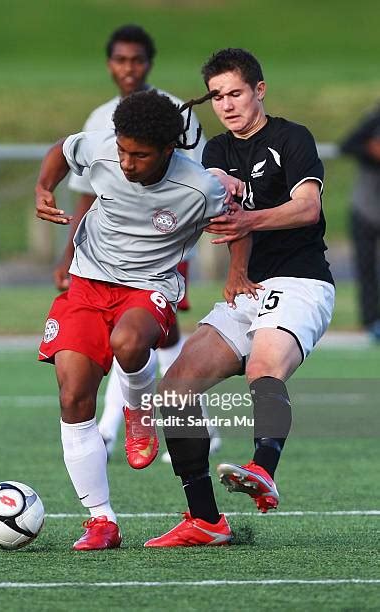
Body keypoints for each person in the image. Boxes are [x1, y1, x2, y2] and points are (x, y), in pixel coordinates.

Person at [35, 89, 257, 550]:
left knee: (128, 343)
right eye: (123, 151)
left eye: (141, 155)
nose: (128, 163)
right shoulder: (102, 150)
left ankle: (138, 410)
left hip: (149, 286)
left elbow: (237, 222)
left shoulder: (199, 186)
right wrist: (44, 187)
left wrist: (237, 272)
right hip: (87, 282)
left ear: (169, 151)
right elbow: (61, 149)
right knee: (74, 395)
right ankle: (101, 520)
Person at [145, 48, 335, 548]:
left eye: (235, 93)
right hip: (250, 286)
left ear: (259, 90)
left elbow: (307, 208)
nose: (226, 105)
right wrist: (236, 270)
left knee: (262, 368)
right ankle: (205, 519)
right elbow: (226, 220)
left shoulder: (291, 138)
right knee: (176, 386)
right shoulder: (216, 154)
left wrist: (249, 217)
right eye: (217, 97)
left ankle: (263, 468)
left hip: (301, 281)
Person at [53, 24, 221, 461]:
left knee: (148, 337)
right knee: (130, 340)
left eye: (137, 59)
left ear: (149, 63)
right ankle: (121, 423)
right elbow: (90, 193)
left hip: (164, 246)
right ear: (110, 64)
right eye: (121, 59)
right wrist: (69, 252)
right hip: (107, 254)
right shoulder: (99, 120)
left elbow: (198, 184)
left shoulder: (177, 113)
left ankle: (178, 419)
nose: (129, 68)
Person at [340, 105, 380, 342]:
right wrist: (371, 150)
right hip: (365, 208)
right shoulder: (374, 119)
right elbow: (347, 145)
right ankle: (371, 322)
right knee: (366, 267)